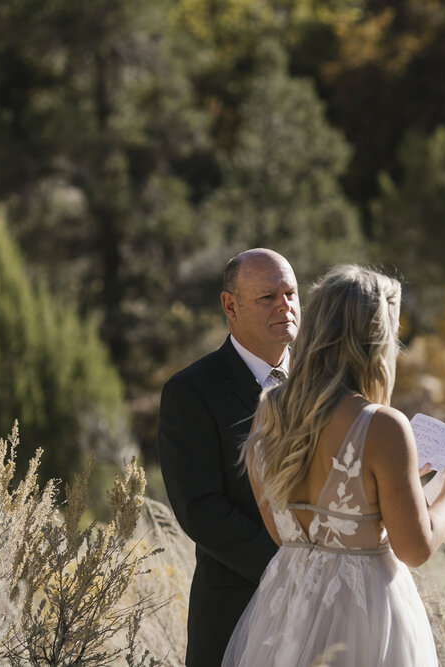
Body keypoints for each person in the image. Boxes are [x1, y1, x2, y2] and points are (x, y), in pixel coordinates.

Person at [221, 264, 445, 667]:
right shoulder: (382, 425)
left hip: (287, 611)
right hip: (366, 614)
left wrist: (406, 481)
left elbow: (283, 532)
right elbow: (415, 548)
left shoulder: (269, 411)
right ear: (373, 339)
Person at [157, 248, 299, 667]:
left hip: (329, 604)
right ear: (230, 306)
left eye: (290, 293)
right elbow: (200, 509)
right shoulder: (191, 391)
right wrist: (288, 571)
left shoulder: (325, 380)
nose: (284, 306)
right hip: (237, 606)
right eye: (267, 297)